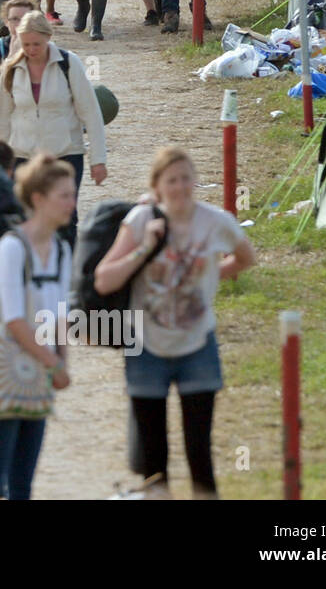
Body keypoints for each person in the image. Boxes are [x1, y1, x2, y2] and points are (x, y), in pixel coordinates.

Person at [94, 147, 256, 498]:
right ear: (157, 187)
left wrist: (214, 273)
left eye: (186, 178)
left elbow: (247, 257)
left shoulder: (215, 220)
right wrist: (145, 248)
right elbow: (104, 280)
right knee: (155, 458)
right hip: (146, 346)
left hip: (198, 344)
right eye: (172, 180)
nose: (181, 187)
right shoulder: (140, 220)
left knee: (199, 450)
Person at [0, 155, 74, 500]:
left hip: (39, 368)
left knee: (23, 483)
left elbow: (60, 315)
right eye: (64, 195)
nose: (72, 203)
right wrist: (53, 363)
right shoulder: (11, 247)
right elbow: (13, 319)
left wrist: (62, 361)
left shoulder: (60, 248)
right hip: (5, 371)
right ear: (38, 199)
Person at [0, 11, 106, 244]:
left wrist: (98, 159)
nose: (31, 50)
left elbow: (92, 114)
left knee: (64, 219)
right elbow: (3, 118)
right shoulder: (11, 69)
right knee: (25, 218)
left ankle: (65, 273)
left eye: (37, 44)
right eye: (26, 44)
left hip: (65, 153)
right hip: (23, 155)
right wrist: (2, 163)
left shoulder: (69, 63)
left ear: (49, 38)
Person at [0, 0, 39, 83]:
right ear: (6, 22)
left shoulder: (42, 46)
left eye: (25, 18)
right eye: (15, 19)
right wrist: (11, 58)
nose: (20, 24)